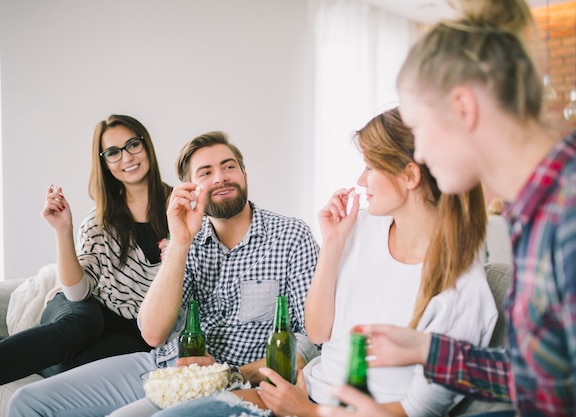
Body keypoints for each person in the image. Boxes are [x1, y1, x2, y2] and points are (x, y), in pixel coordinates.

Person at [320, 0, 576, 416]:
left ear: (463, 108)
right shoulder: (535, 215)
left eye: (420, 127)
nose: (421, 153)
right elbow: (540, 377)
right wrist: (428, 349)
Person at [152, 107, 498, 417]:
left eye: (370, 166)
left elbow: (418, 411)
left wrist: (307, 412)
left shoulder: (462, 290)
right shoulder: (360, 228)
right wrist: (333, 244)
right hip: (300, 391)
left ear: (409, 176)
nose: (361, 180)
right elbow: (319, 332)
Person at [8, 131, 320, 417]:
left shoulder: (291, 236)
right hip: (163, 366)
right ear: (191, 189)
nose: (221, 178)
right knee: (26, 403)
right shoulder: (184, 238)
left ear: (244, 174)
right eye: (206, 173)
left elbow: (311, 339)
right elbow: (153, 333)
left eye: (229, 167)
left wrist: (239, 373)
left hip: (233, 382)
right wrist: (180, 243)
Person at [0, 114, 171, 384]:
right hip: (81, 310)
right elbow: (78, 293)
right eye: (113, 152)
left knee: (132, 356)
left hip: (133, 331)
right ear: (104, 162)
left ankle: (31, 357)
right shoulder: (99, 220)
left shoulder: (181, 210)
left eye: (133, 145)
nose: (127, 158)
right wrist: (63, 230)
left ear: (146, 145)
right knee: (86, 323)